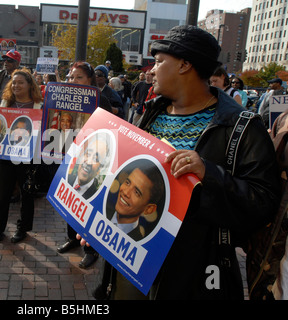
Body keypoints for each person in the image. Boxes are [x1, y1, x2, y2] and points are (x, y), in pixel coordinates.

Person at [84, 25, 281, 300]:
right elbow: (123, 175)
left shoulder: (242, 127)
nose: (151, 69)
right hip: (131, 261)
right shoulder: (150, 114)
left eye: (160, 61)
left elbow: (263, 202)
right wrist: (96, 222)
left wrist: (208, 174)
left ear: (186, 65)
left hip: (194, 272)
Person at [56, 61, 113, 269]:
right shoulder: (63, 98)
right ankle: (73, 238)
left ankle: (91, 249)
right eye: (70, 77)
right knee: (70, 200)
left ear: (90, 80)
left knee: (88, 204)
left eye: (79, 77)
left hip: (91, 160)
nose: (73, 81)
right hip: (69, 156)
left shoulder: (101, 100)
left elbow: (109, 133)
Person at [0, 68, 42, 244]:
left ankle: (23, 229)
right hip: (7, 157)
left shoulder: (39, 106)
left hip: (28, 158)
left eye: (20, 82)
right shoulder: (5, 104)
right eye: (13, 82)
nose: (16, 85)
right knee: (2, 194)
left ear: (30, 85)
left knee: (26, 194)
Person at [0, 50, 22, 178]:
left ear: (17, 63)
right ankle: (0, 181)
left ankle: (13, 189)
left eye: (10, 60)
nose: (6, 63)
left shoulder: (22, 77)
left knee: (11, 155)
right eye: (5, 60)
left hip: (14, 119)